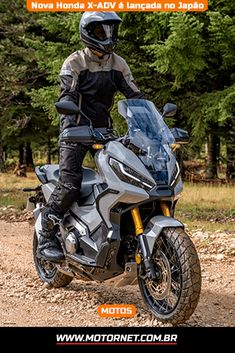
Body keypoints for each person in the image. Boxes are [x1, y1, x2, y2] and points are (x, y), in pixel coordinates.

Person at [38, 11, 145, 262]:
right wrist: (71, 118)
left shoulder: (118, 63)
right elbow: (67, 96)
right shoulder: (74, 62)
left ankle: (114, 234)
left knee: (123, 180)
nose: (107, 36)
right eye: (100, 31)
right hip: (75, 130)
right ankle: (47, 234)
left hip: (105, 131)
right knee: (70, 184)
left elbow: (136, 96)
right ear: (87, 33)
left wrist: (153, 119)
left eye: (110, 30)